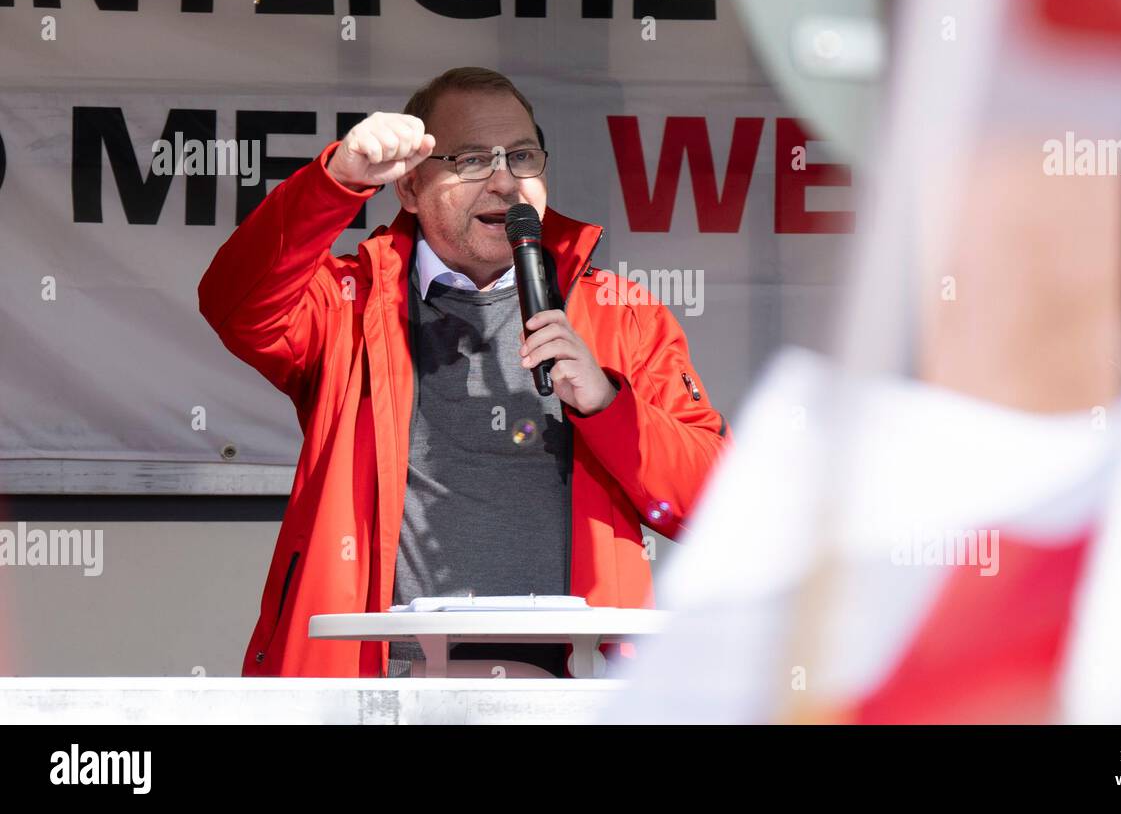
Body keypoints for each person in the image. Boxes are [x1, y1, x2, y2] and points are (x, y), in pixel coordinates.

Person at [198, 67, 729, 677]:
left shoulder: (621, 314)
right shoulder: (349, 302)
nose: (506, 182)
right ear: (409, 188)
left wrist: (610, 406)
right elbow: (235, 304)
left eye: (523, 157)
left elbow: (716, 505)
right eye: (473, 159)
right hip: (382, 692)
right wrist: (334, 183)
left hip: (573, 693)